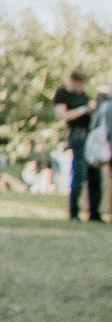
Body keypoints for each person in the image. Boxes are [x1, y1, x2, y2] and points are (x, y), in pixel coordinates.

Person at [53, 70, 99, 223]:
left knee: (94, 174)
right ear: (73, 80)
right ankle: (74, 212)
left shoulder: (84, 95)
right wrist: (82, 110)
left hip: (90, 134)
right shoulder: (62, 94)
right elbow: (61, 114)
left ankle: (94, 212)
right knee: (79, 172)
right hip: (77, 135)